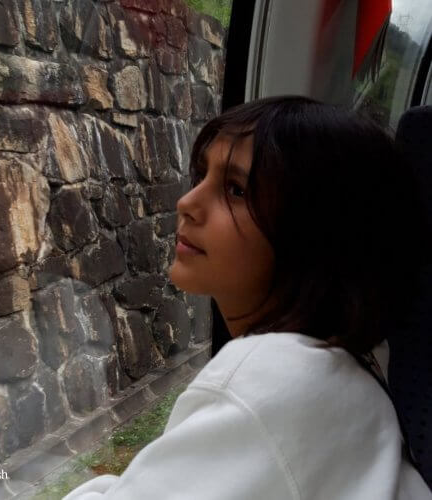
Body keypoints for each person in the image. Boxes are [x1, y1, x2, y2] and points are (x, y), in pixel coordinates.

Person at [63, 97, 432, 499]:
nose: (187, 203)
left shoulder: (275, 377)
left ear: (315, 238)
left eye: (235, 190)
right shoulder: (350, 367)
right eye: (202, 175)